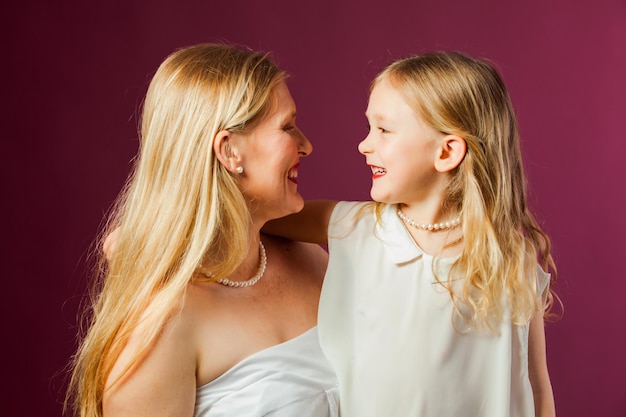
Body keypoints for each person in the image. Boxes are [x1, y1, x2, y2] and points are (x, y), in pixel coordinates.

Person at [265, 52, 557, 416]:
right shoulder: (351, 227)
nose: (364, 144)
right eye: (369, 127)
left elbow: (536, 386)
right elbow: (255, 216)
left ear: (447, 151)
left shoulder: (510, 257)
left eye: (384, 130)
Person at [66, 43, 338, 417]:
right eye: (287, 126)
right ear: (230, 152)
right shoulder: (163, 321)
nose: (306, 145)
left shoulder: (310, 259)